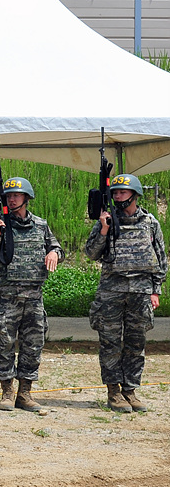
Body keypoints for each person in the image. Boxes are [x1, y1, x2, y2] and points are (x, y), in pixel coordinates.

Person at [85, 173, 167, 413]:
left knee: (136, 342)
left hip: (140, 293)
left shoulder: (150, 223)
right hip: (111, 292)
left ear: (134, 194)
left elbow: (161, 259)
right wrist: (103, 229)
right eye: (115, 193)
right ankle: (114, 392)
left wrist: (156, 290)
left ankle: (130, 390)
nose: (117, 196)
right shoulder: (106, 221)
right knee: (110, 343)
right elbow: (91, 253)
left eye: (122, 192)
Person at [0, 177, 62, 412]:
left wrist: (55, 253)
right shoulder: (0, 224)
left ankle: (25, 393)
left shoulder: (40, 225)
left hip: (34, 297)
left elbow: (56, 247)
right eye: (8, 196)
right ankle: (7, 392)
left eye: (16, 195)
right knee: (5, 344)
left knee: (33, 345)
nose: (12, 199)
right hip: (7, 298)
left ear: (26, 198)